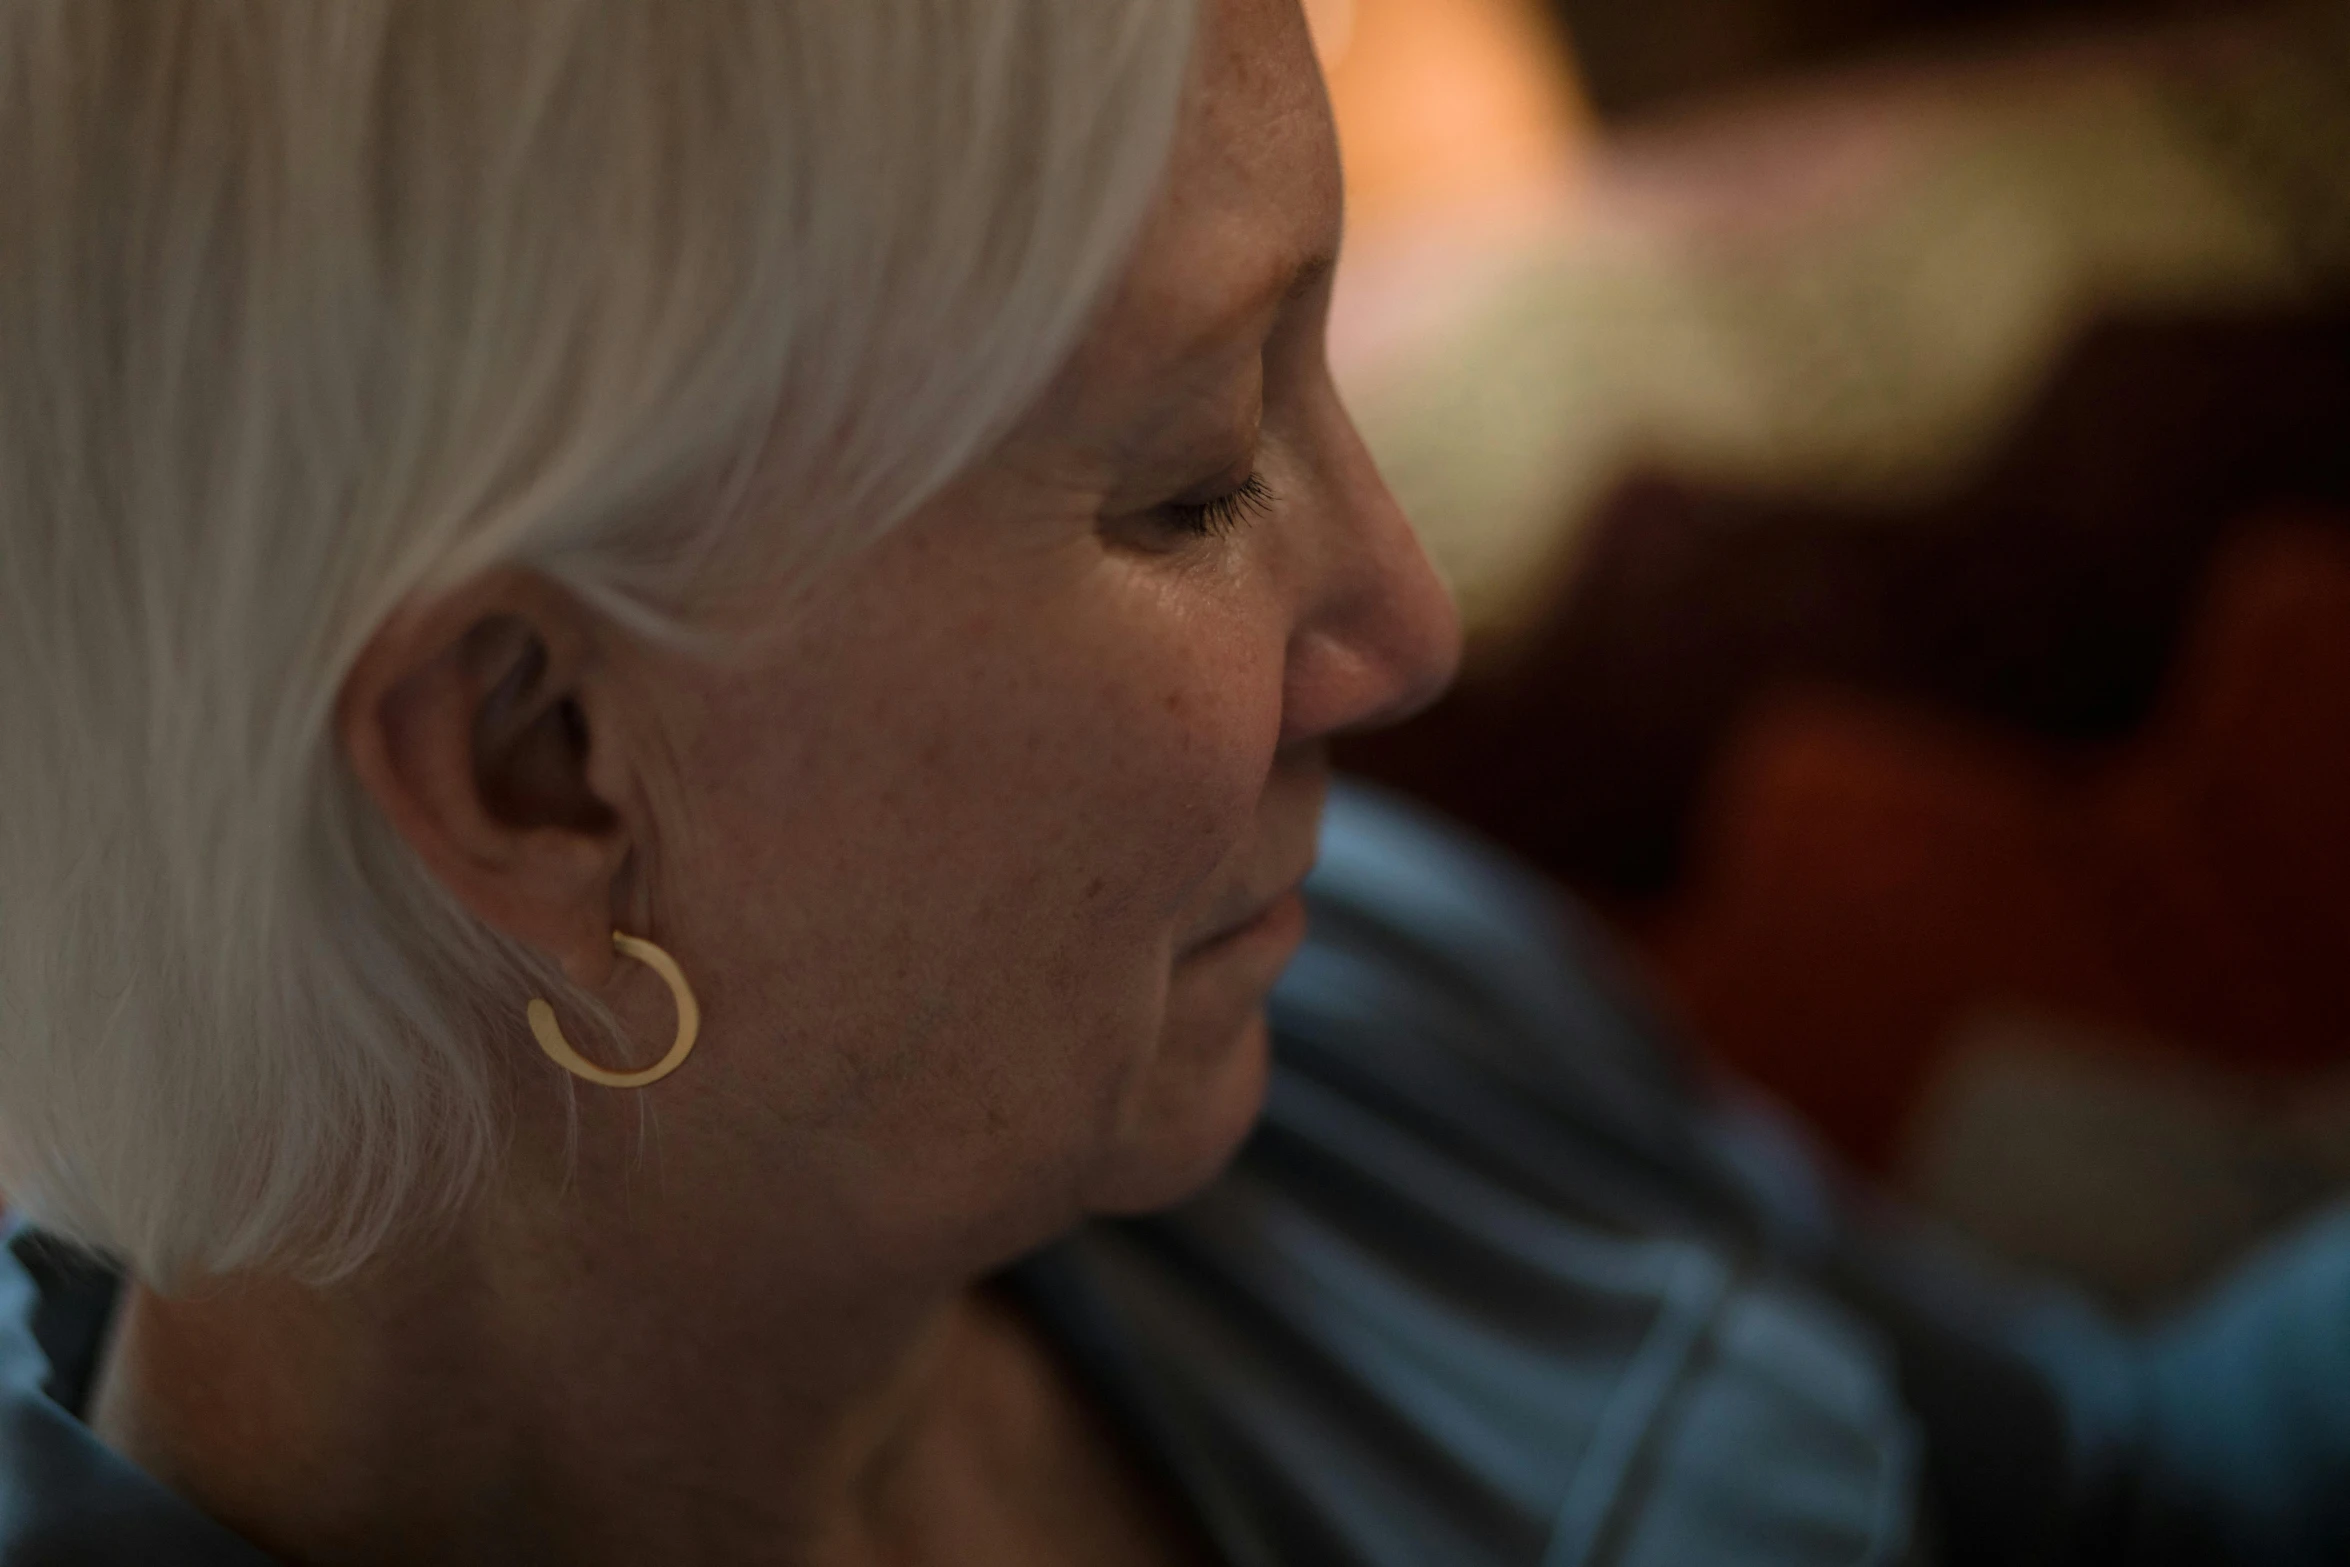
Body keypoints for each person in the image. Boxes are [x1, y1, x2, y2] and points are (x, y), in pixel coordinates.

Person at [0, 4, 2343, 1566]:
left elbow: (2096, 1493)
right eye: (1195, 482)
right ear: (538, 766)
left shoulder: (1298, 1005)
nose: (1405, 624)